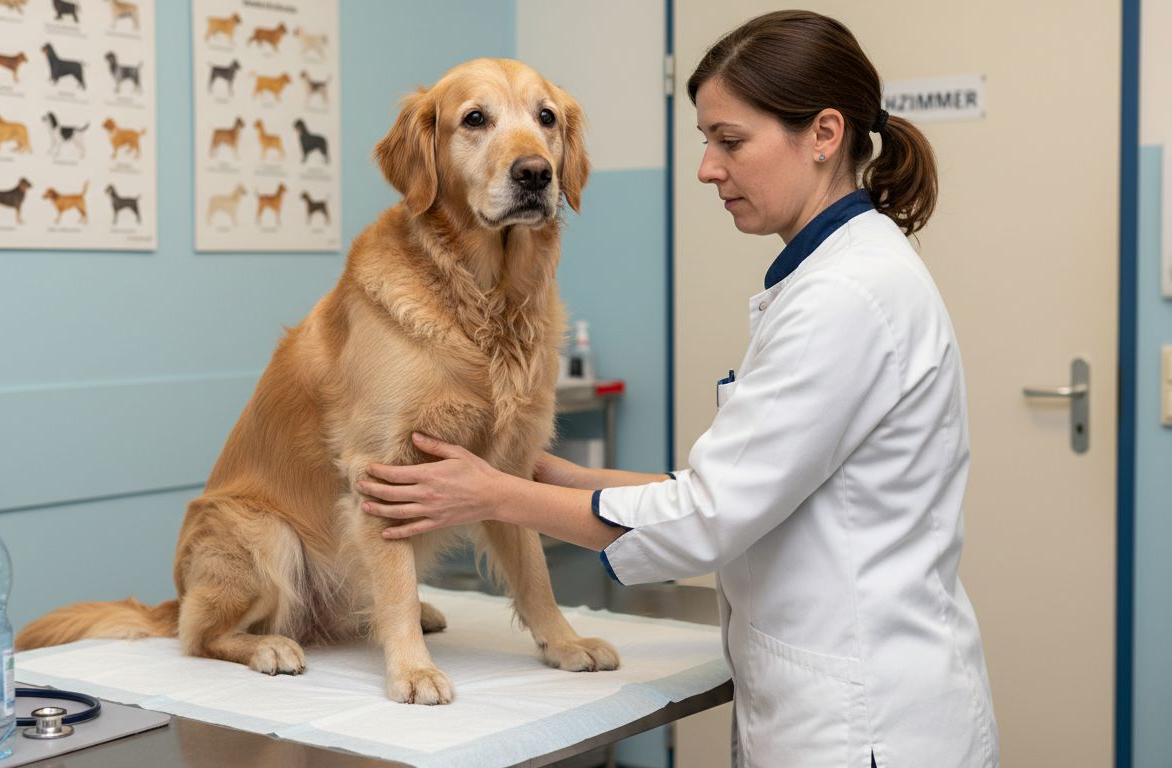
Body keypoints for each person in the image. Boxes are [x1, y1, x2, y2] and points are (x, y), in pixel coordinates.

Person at [358, 10, 998, 767]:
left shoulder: (848, 298)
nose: (707, 168)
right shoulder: (836, 277)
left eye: (730, 141)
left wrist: (493, 495)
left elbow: (707, 516)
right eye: (706, 142)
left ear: (824, 134)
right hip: (835, 703)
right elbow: (737, 489)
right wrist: (556, 477)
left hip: (863, 727)